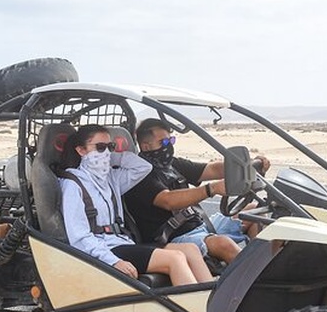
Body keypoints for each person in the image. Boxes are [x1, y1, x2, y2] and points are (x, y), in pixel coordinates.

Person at [59, 124, 213, 286]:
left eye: (109, 147)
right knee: (175, 258)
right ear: (81, 151)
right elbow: (79, 237)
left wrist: (112, 157)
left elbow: (143, 167)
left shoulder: (111, 178)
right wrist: (113, 261)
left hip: (123, 242)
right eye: (100, 147)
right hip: (104, 248)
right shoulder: (72, 184)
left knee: (190, 250)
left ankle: (213, 303)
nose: (105, 153)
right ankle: (193, 308)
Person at [124, 118, 270, 264]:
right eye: (164, 142)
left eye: (171, 140)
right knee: (223, 244)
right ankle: (254, 280)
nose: (169, 146)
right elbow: (168, 200)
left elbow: (212, 169)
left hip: (201, 225)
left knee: (255, 212)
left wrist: (248, 165)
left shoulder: (172, 165)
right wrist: (211, 189)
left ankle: (264, 264)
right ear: (146, 146)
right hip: (174, 237)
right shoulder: (139, 174)